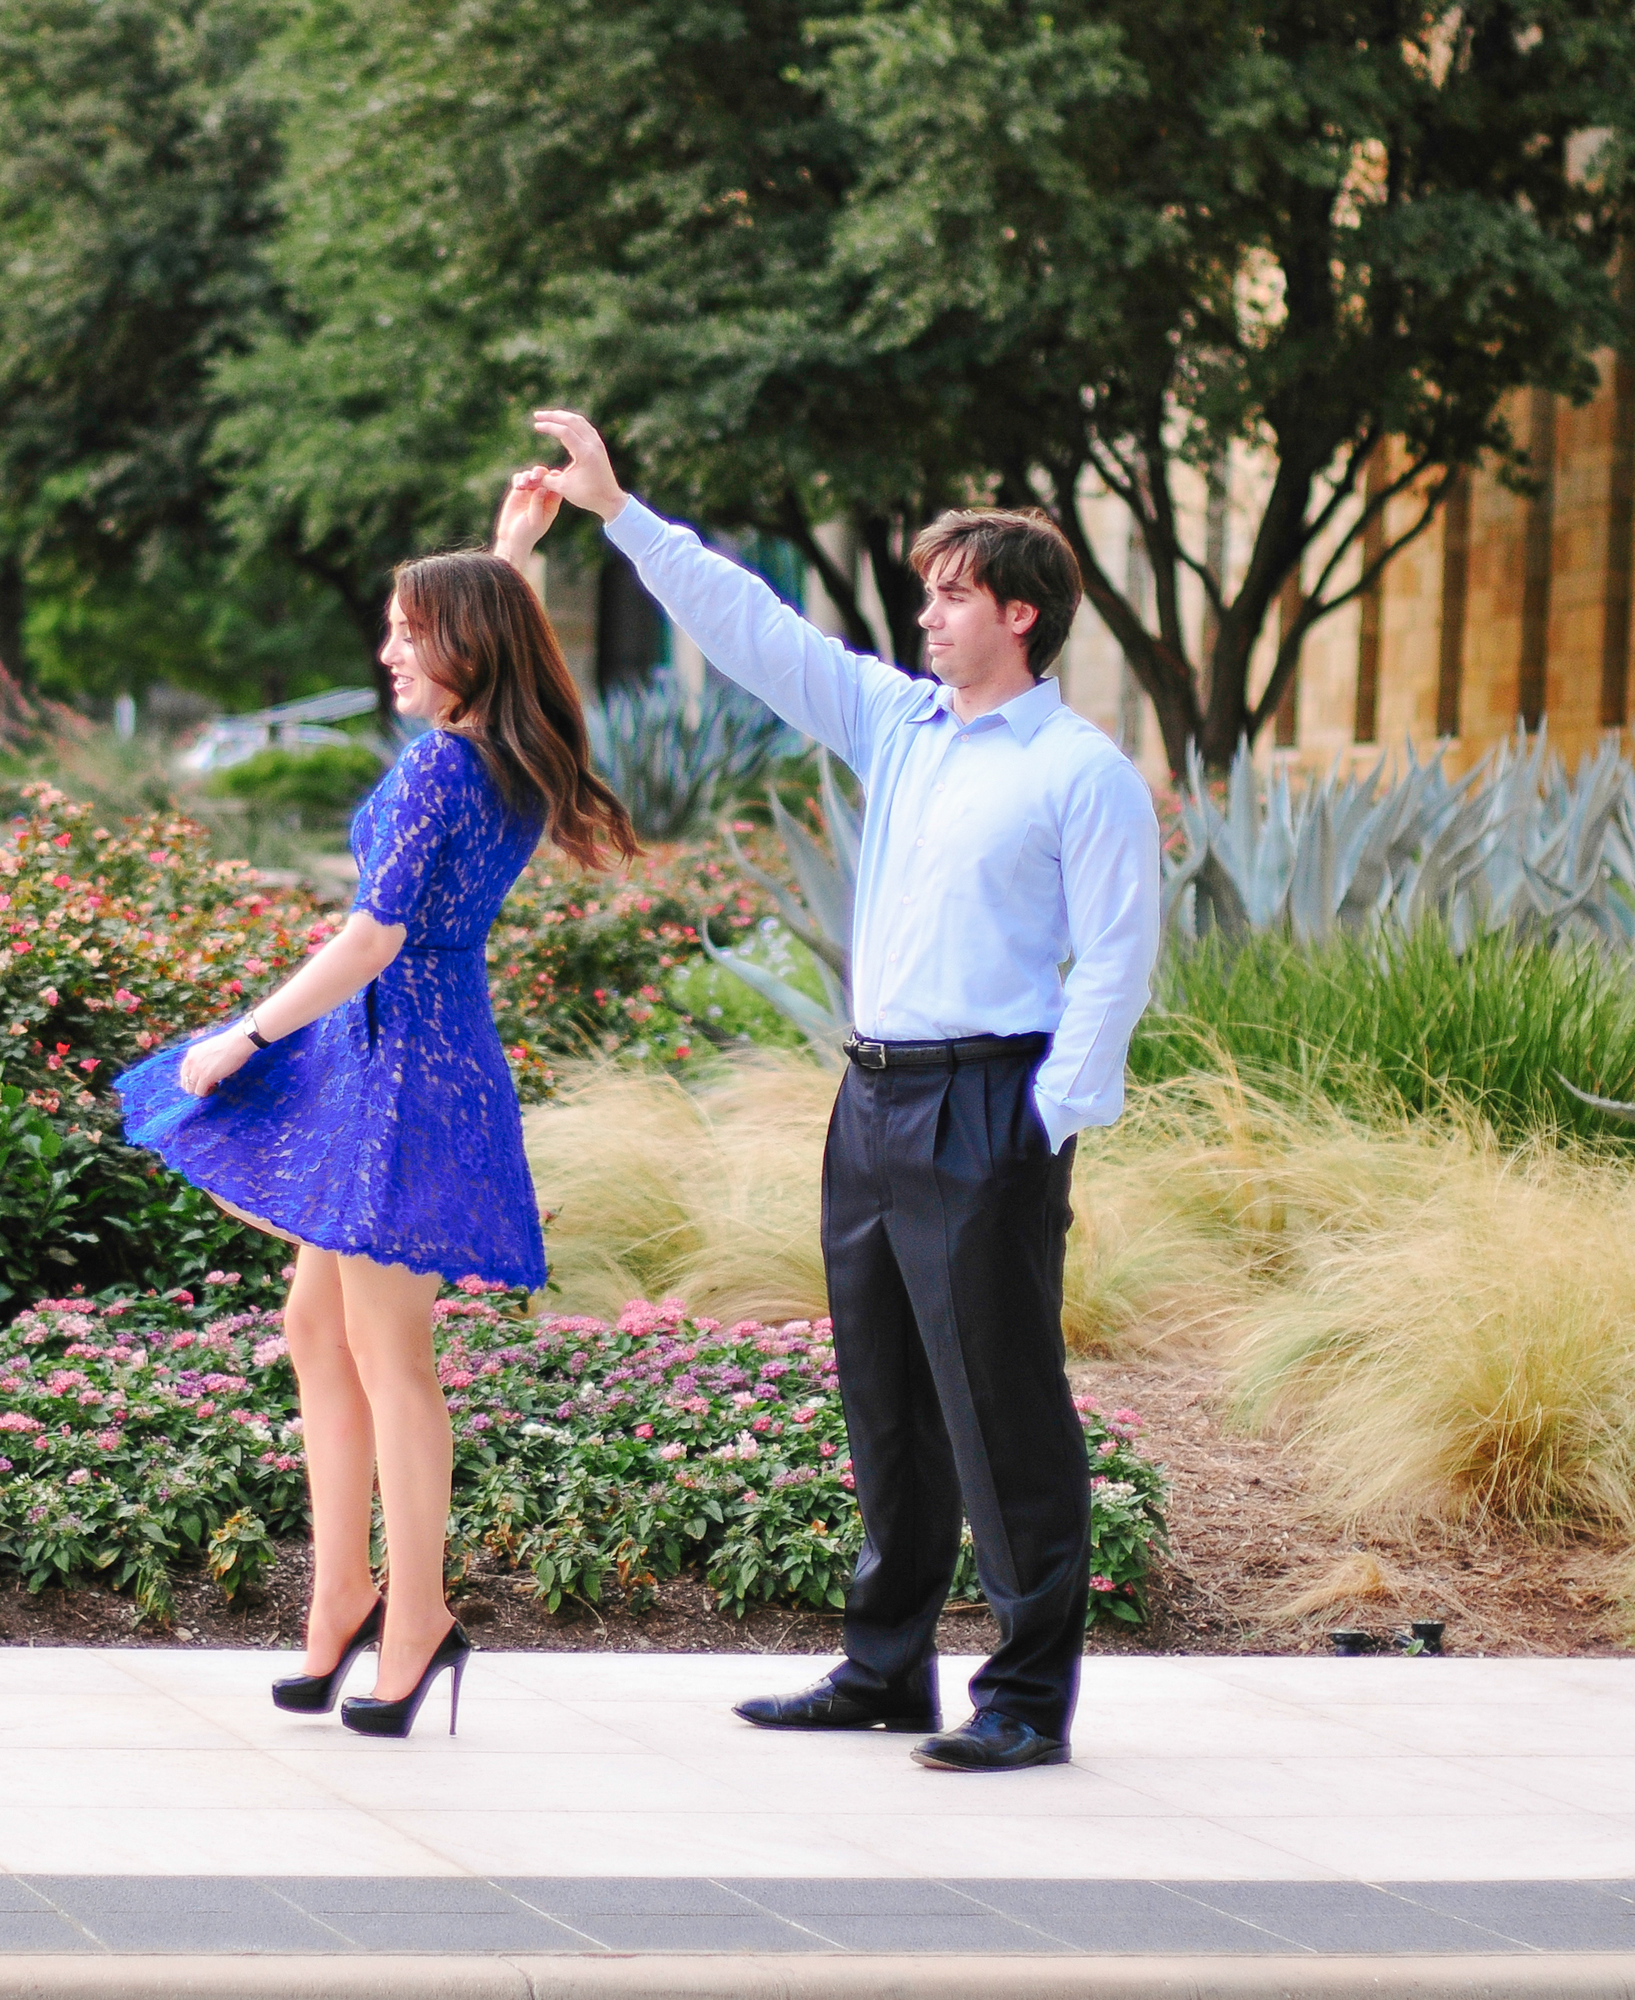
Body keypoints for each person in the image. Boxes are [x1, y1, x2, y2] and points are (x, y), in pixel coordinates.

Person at [510, 411, 1158, 1773]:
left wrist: (1051, 1120)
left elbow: (1115, 958)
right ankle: (885, 1669)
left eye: (951, 594)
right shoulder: (903, 725)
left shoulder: (1077, 772)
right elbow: (756, 632)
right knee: (888, 1395)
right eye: (926, 592)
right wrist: (620, 512)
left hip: (991, 1106)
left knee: (1003, 1408)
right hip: (871, 1104)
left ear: (1020, 614)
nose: (925, 614)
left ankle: (1028, 1699)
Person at [113, 485, 636, 1739]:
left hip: (394, 1062)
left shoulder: (438, 770)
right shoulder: (502, 754)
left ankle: (416, 1621)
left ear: (468, 649)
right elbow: (393, 928)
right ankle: (344, 1593)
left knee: (393, 1358)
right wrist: (507, 557)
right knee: (316, 1326)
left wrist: (243, 1034)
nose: (388, 648)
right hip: (416, 1051)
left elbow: (372, 933)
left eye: (412, 629)